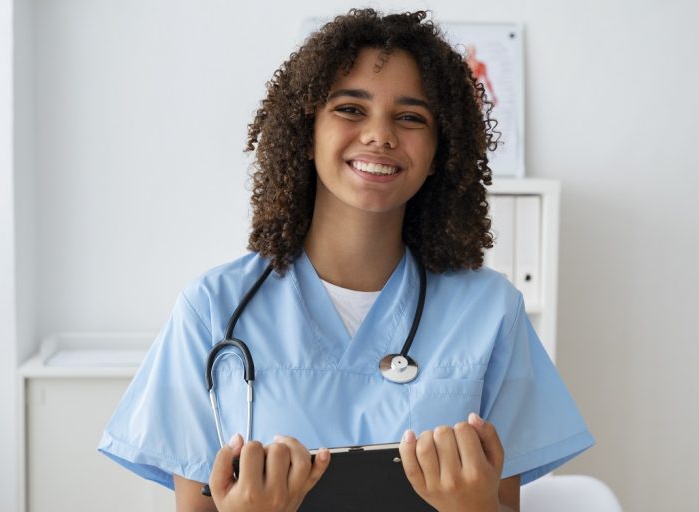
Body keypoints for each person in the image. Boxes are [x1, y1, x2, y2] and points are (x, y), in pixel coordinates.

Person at [99, 8, 594, 512]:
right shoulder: (212, 309)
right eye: (351, 109)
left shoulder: (492, 312)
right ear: (305, 131)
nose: (380, 135)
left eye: (410, 117)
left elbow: (502, 503)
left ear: (439, 150)